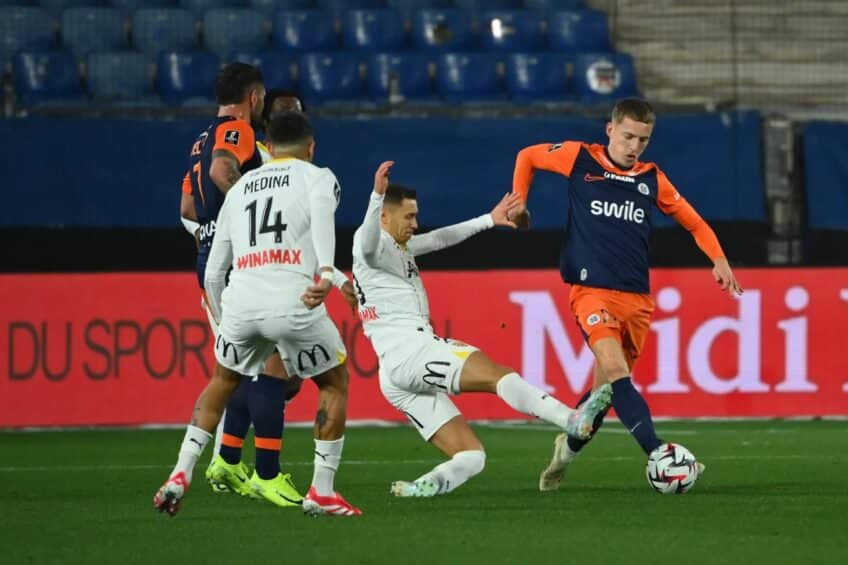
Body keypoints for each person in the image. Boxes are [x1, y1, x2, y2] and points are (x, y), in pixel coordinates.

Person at [507, 97, 743, 491]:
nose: (634, 146)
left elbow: (695, 223)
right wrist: (518, 204)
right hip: (591, 293)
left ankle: (564, 451)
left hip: (636, 300)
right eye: (628, 136)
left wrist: (718, 259)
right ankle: (658, 453)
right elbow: (527, 156)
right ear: (610, 129)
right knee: (617, 373)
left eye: (643, 140)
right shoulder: (580, 158)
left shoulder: (653, 180)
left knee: (603, 396)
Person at [350, 161, 613, 498]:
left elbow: (441, 238)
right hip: (412, 351)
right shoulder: (368, 243)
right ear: (383, 217)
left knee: (472, 456)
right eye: (408, 217)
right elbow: (369, 243)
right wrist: (376, 195)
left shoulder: (399, 249)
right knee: (498, 375)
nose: (415, 225)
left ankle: (425, 486)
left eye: (416, 216)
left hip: (393, 373)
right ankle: (571, 420)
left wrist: (489, 219)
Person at [154, 111, 361, 518]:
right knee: (334, 382)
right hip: (294, 298)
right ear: (311, 147)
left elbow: (214, 271)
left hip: (240, 301)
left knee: (223, 380)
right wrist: (325, 272)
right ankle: (322, 490)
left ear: (268, 146)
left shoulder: (241, 187)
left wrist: (220, 320)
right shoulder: (319, 177)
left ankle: (180, 472)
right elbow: (322, 222)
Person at [176, 63, 303, 506]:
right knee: (272, 368)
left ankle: (227, 460)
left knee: (251, 368)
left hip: (209, 255)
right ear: (255, 97)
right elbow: (221, 172)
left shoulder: (199, 138)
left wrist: (214, 232)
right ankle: (267, 474)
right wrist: (250, 212)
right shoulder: (237, 131)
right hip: (234, 261)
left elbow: (189, 207)